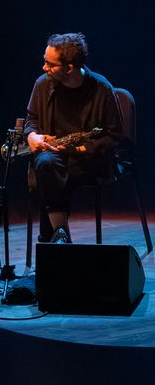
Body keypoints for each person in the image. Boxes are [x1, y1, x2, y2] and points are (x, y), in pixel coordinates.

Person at [24, 32, 124, 243]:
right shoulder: (43, 84)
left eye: (50, 64)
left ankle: (50, 241)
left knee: (47, 172)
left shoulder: (102, 89)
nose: (44, 68)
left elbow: (114, 136)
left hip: (88, 161)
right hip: (53, 158)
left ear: (69, 68)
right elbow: (30, 120)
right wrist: (32, 136)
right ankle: (60, 235)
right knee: (46, 164)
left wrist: (79, 149)